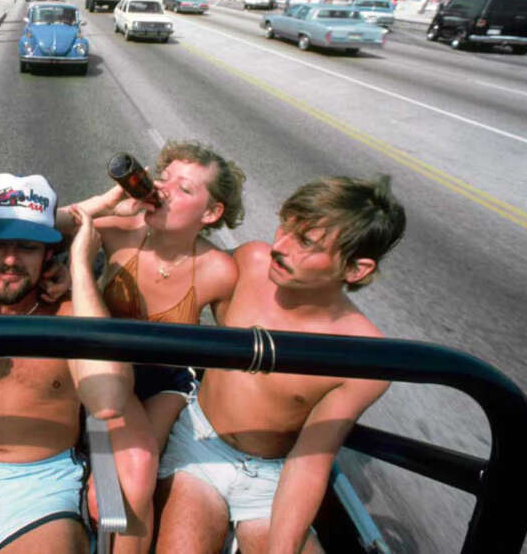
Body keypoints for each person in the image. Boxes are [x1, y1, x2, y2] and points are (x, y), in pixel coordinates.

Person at [154, 175, 407, 554]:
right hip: (200, 447)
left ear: (355, 270)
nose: (279, 246)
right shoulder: (251, 262)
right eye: (285, 226)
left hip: (275, 476)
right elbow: (169, 280)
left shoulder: (364, 356)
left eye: (306, 242)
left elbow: (311, 460)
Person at [58, 141, 244, 553]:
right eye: (164, 179)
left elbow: (233, 354)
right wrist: (106, 203)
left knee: (135, 475)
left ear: (211, 213)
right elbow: (47, 225)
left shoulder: (218, 271)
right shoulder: (120, 232)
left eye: (185, 189)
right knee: (123, 475)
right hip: (101, 368)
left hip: (165, 380)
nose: (163, 190)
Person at [0, 172, 134, 553]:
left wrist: (81, 263)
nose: (11, 260)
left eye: (28, 247)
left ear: (50, 253)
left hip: (37, 487)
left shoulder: (71, 314)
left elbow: (109, 398)